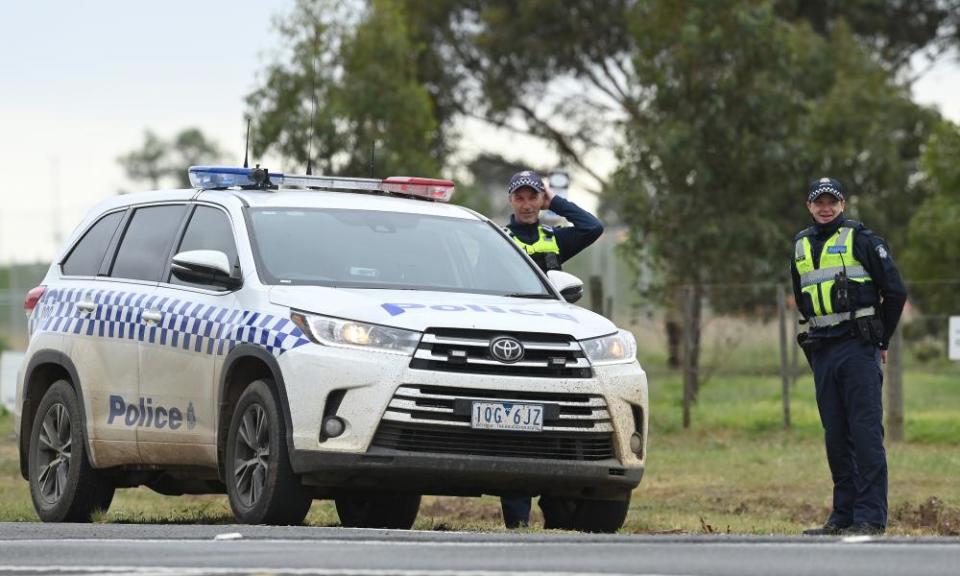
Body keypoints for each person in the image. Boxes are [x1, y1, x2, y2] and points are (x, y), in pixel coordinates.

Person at [792, 177, 907, 536]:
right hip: (823, 350)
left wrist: (881, 339)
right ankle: (842, 515)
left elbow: (896, 291)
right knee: (836, 436)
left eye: (832, 201)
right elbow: (802, 297)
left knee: (865, 434)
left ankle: (870, 517)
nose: (825, 207)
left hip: (858, 348)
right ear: (809, 206)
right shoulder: (799, 245)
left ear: (843, 204)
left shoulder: (862, 239)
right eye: (818, 201)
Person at [499, 170, 604, 528]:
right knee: (514, 434)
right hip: (512, 348)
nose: (527, 205)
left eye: (533, 197)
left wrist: (555, 200)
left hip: (551, 348)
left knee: (554, 431)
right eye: (521, 198)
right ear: (510, 201)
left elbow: (593, 227)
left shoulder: (553, 239)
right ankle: (517, 522)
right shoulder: (499, 240)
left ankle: (558, 512)